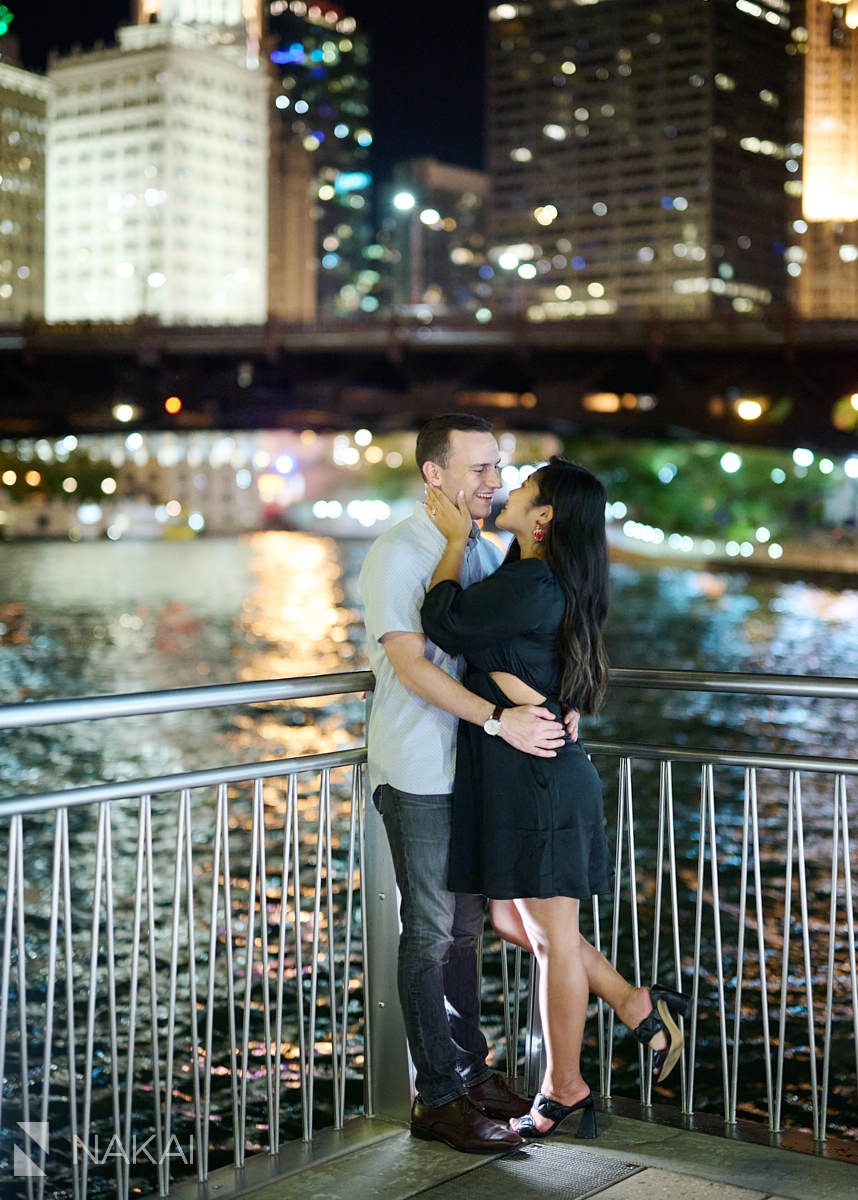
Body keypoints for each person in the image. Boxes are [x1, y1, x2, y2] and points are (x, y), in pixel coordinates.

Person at [421, 457, 691, 1139]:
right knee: (520, 925)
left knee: (549, 936)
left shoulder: (534, 579)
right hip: (529, 773)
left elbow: (445, 621)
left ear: (543, 518)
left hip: (537, 780)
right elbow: (509, 654)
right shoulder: (542, 578)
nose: (511, 487)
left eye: (528, 485)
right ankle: (637, 1004)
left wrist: (454, 542)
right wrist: (507, 680)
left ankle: (565, 1086)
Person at [358, 414, 577, 1155]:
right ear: (435, 475)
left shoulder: (478, 551)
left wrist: (553, 706)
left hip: (476, 767)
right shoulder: (398, 551)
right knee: (425, 932)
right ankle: (439, 1100)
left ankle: (471, 1073)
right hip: (421, 766)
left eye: (499, 468)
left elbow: (500, 645)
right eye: (480, 469)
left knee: (463, 930)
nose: (496, 481)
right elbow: (414, 665)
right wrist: (498, 719)